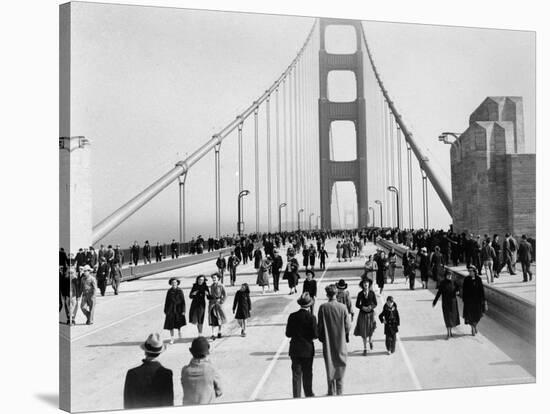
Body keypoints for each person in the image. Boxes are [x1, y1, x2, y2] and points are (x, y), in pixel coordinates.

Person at [317, 284, 351, 396]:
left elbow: (320, 327)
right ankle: (340, 391)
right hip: (340, 342)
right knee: (340, 366)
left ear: (327, 294)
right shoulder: (343, 307)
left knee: (330, 365)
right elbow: (348, 326)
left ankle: (331, 391)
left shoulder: (323, 307)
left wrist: (323, 339)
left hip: (328, 342)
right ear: (336, 294)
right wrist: (343, 335)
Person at [123, 333, 173, 409]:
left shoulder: (132, 373)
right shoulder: (166, 373)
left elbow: (128, 402)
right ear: (159, 353)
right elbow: (168, 402)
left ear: (145, 351)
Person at [285, 292, 318, 398]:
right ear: (309, 305)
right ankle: (308, 394)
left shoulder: (292, 316)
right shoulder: (311, 318)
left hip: (295, 349)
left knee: (296, 375)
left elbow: (288, 334)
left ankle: (297, 396)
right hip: (307, 350)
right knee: (308, 373)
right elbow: (315, 335)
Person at [181, 336, 222, 405]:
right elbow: (219, 391)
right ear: (206, 353)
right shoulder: (211, 369)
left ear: (191, 352)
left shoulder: (185, 371)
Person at [432, 270, 460, 338]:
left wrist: (458, 291)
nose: (449, 276)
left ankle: (451, 332)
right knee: (447, 318)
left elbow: (458, 288)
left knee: (452, 318)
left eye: (450, 275)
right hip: (446, 303)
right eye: (448, 275)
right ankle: (448, 333)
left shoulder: (454, 282)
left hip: (453, 303)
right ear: (446, 276)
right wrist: (435, 302)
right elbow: (439, 293)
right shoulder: (442, 283)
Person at [353, 279, 377, 355]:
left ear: (369, 284)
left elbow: (375, 303)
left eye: (367, 283)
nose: (366, 284)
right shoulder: (360, 294)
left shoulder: (372, 293)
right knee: (363, 331)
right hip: (363, 314)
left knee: (370, 329)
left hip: (370, 314)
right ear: (362, 285)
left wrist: (371, 307)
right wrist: (362, 307)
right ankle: (365, 348)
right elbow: (357, 304)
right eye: (364, 283)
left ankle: (370, 340)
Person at [462, 266, 486, 336]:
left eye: (471, 271)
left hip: (477, 301)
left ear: (474, 272)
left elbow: (481, 290)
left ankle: (474, 326)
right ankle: (472, 328)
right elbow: (464, 290)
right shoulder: (466, 279)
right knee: (470, 316)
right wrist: (464, 299)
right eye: (469, 271)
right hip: (469, 301)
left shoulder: (478, 279)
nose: (470, 272)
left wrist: (483, 300)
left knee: (477, 315)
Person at [164, 277, 187, 344]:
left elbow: (183, 301)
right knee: (170, 324)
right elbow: (166, 301)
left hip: (178, 309)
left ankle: (179, 331)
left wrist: (183, 310)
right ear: (171, 284)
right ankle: (172, 338)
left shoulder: (180, 291)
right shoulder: (169, 291)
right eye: (172, 282)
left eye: (175, 282)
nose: (174, 283)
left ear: (177, 283)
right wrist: (165, 310)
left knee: (178, 323)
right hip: (170, 309)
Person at [207, 273, 227, 339]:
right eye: (213, 278)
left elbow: (225, 295)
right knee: (212, 318)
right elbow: (211, 295)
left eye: (215, 277)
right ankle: (213, 333)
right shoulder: (212, 286)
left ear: (218, 278)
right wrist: (208, 296)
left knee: (219, 318)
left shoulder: (221, 285)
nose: (213, 279)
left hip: (218, 304)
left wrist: (222, 301)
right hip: (212, 304)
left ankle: (219, 332)